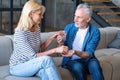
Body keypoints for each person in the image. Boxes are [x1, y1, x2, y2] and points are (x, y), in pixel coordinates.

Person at [9, 0, 69, 80]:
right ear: (31, 14)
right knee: (46, 60)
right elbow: (34, 56)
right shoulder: (20, 33)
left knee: (45, 72)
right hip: (18, 67)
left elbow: (40, 49)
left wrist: (52, 37)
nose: (42, 17)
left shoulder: (36, 29)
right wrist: (55, 50)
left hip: (31, 64)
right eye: (39, 14)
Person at [57, 3, 104, 80]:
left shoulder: (94, 31)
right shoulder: (69, 28)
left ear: (88, 19)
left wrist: (75, 52)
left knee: (95, 65)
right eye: (75, 15)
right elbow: (61, 51)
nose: (75, 19)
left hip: (88, 59)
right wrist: (60, 43)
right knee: (78, 67)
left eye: (79, 17)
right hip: (71, 60)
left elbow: (88, 54)